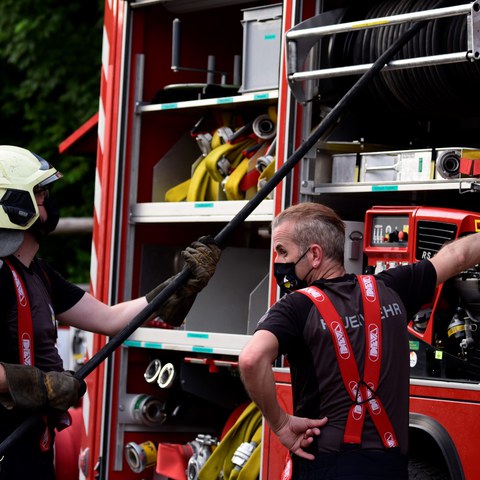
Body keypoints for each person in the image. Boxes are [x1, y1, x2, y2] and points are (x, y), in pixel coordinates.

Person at [0, 145, 221, 479]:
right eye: (41, 194)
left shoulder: (39, 274)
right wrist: (40, 385)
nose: (49, 201)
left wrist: (181, 285)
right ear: (15, 206)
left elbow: (111, 319)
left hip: (29, 446)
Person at [239, 201, 480, 479]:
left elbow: (251, 359)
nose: (278, 262)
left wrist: (280, 424)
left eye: (283, 251)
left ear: (314, 254)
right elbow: (459, 254)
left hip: (325, 466)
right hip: (390, 467)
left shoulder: (294, 308)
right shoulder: (392, 287)